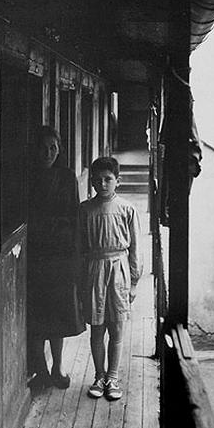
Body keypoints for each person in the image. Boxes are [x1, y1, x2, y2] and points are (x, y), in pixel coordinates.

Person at [79, 156, 142, 401]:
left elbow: (135, 246)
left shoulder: (127, 209)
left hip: (119, 269)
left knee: (116, 327)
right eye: (98, 180)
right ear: (92, 182)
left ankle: (113, 377)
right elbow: (79, 246)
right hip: (94, 269)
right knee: (97, 328)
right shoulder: (85, 209)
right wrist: (80, 278)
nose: (103, 184)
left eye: (108, 179)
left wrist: (134, 281)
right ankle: (99, 376)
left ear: (118, 181)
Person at [27, 126, 85, 390]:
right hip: (36, 257)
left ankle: (57, 367)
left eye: (53, 148)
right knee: (38, 317)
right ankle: (40, 370)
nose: (48, 153)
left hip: (60, 256)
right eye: (43, 147)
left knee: (59, 318)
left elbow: (74, 217)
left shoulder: (67, 177)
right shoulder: (26, 177)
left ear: (59, 150)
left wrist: (75, 259)